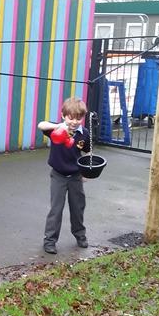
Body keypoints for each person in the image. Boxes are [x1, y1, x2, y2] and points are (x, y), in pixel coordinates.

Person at [37, 98, 92, 254]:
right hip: (58, 176)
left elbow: (87, 151)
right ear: (63, 115)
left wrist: (86, 171)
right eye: (70, 117)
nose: (74, 121)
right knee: (56, 209)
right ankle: (50, 241)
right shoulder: (56, 129)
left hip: (75, 176)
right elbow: (41, 125)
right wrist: (59, 126)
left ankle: (80, 235)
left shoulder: (84, 134)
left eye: (78, 118)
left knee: (78, 207)